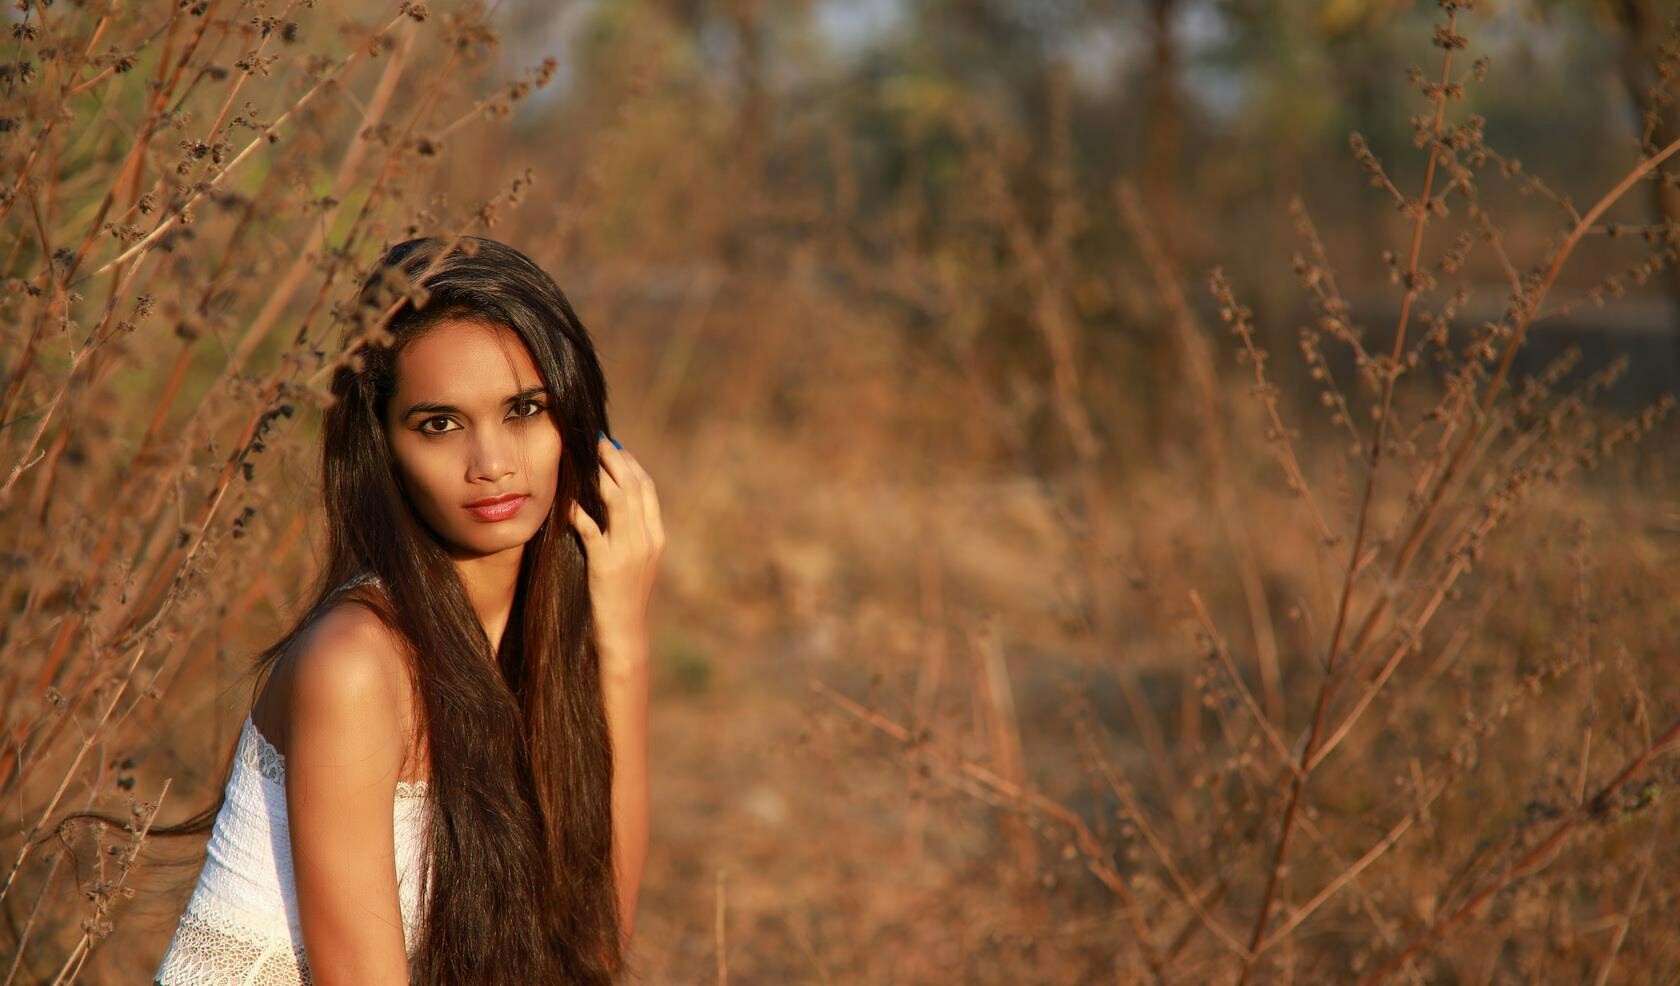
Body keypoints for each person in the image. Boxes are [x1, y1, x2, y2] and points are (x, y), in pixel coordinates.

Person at [89, 234, 660, 984]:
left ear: (579, 428)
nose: (493, 465)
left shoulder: (537, 640)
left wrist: (624, 642)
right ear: (383, 447)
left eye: (524, 410)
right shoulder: (355, 663)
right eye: (440, 424)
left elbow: (595, 946)